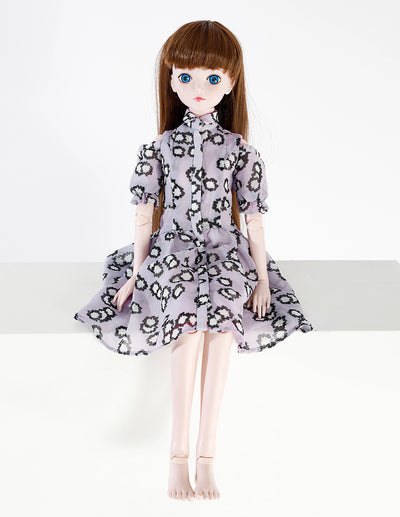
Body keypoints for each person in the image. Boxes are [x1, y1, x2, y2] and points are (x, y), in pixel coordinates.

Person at [74, 20, 313, 501]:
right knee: (186, 325)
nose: (197, 87)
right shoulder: (159, 149)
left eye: (212, 77)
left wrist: (262, 279)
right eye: (184, 76)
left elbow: (254, 220)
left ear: (230, 82)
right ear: (170, 79)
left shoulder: (240, 151)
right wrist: (138, 274)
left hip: (225, 252)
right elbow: (144, 217)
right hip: (172, 251)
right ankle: (177, 457)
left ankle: (207, 457)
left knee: (221, 326)